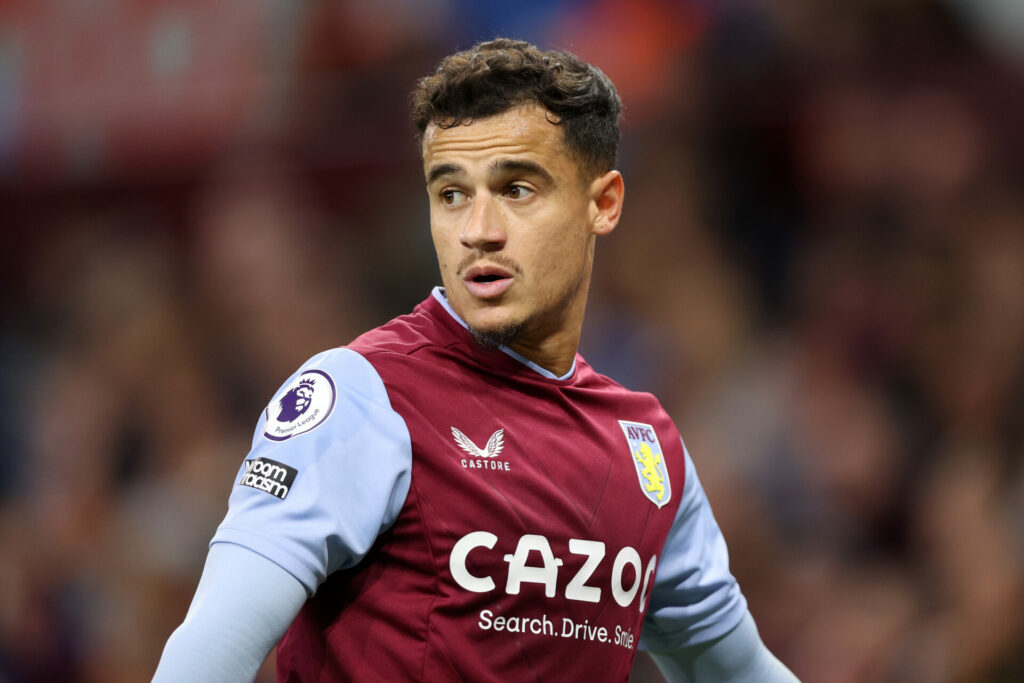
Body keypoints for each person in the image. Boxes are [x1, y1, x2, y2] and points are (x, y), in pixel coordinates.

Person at [153, 38, 798, 682]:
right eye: (452, 194)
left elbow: (742, 672)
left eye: (516, 189)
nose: (478, 230)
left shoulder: (646, 451)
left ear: (602, 204)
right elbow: (207, 655)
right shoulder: (358, 397)